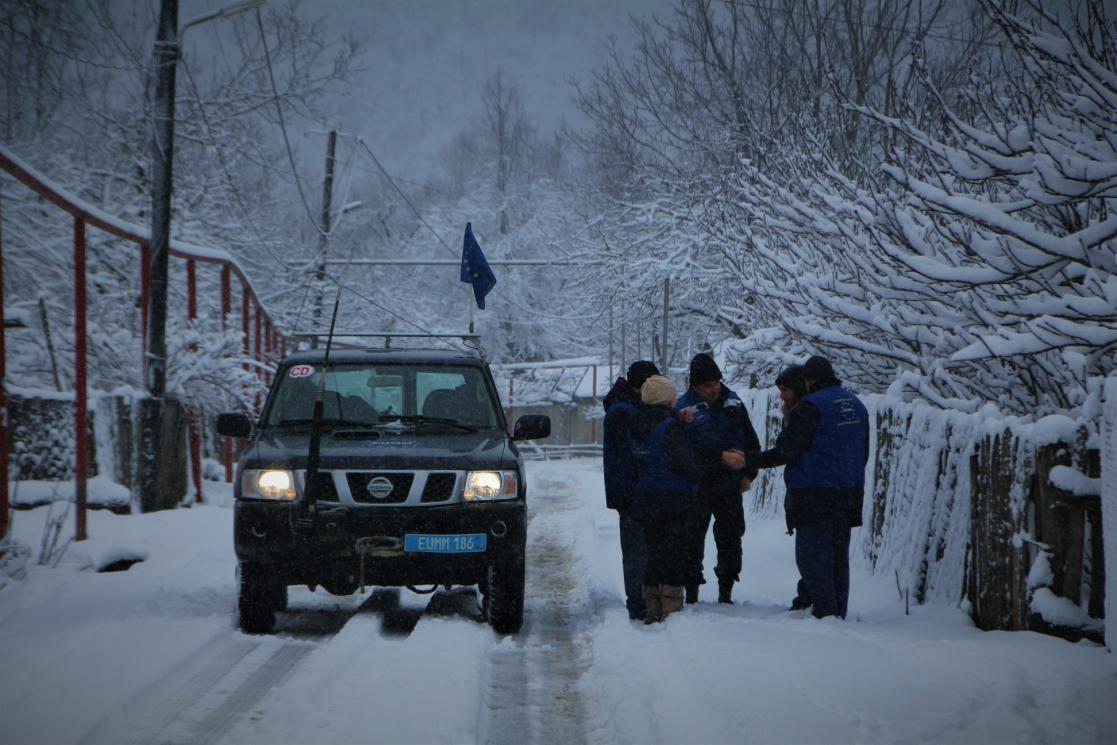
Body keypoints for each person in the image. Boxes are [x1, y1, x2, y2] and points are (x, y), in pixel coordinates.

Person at [743, 356, 869, 619]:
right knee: (837, 555)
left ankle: (824, 613)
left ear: (808, 382)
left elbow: (786, 450)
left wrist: (747, 460)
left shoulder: (810, 407)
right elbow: (863, 450)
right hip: (850, 490)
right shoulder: (855, 404)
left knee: (813, 555)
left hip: (815, 492)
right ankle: (838, 611)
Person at [676, 353, 760, 604]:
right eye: (707, 385)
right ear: (695, 386)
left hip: (729, 483)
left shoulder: (734, 402)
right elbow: (683, 448)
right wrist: (719, 456)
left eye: (716, 383)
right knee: (692, 538)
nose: (714, 389)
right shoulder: (683, 408)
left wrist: (748, 472)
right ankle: (692, 590)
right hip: (697, 483)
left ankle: (726, 589)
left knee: (731, 536)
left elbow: (750, 440)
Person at [631, 374, 710, 623]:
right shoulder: (671, 427)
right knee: (674, 553)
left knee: (653, 553)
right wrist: (706, 471)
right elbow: (682, 463)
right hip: (675, 498)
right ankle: (671, 607)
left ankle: (651, 605)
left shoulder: (636, 425)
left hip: (646, 498)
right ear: (667, 399)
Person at [602, 360, 661, 620]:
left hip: (630, 489)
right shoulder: (625, 412)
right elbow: (637, 447)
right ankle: (638, 603)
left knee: (639, 549)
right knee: (638, 551)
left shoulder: (622, 406)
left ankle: (640, 600)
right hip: (632, 491)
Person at [774, 364, 811, 611]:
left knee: (810, 549)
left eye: (785, 390)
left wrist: (748, 460)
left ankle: (811, 597)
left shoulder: (803, 414)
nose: (781, 396)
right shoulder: (799, 411)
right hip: (813, 486)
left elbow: (784, 450)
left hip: (809, 489)